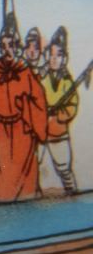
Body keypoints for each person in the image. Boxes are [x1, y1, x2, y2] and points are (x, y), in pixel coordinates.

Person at [0, 14, 48, 202]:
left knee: (24, 174)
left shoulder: (25, 71)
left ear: (16, 46)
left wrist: (28, 111)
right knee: (2, 173)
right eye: (4, 46)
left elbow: (38, 99)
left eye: (11, 45)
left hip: (22, 129)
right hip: (1, 132)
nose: (7, 50)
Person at [41, 28, 81, 194]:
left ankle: (71, 191)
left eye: (58, 55)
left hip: (59, 131)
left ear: (64, 58)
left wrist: (59, 115)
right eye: (51, 55)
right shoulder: (42, 77)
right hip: (41, 130)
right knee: (41, 168)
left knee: (64, 168)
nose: (54, 59)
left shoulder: (67, 82)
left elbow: (72, 105)